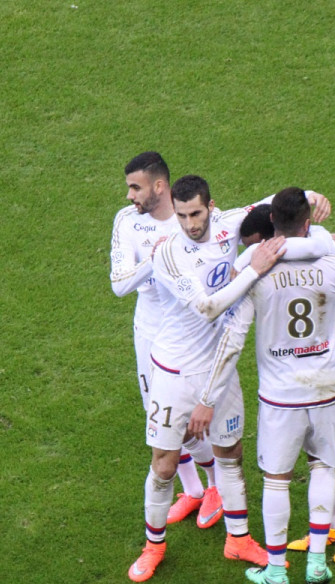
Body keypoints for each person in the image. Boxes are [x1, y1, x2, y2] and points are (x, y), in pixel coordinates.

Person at [128, 175, 333, 582]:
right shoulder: (167, 254)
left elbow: (270, 204)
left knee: (230, 454)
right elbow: (206, 307)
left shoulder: (227, 225)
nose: (190, 224)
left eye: (197, 213)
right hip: (174, 372)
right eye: (183, 214)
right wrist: (253, 270)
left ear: (212, 207)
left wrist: (313, 197)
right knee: (165, 466)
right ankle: (154, 545)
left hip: (220, 371)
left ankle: (237, 539)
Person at [189, 187, 335, 584]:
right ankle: (318, 564)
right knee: (324, 466)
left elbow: (232, 339)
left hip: (280, 395)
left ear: (272, 223)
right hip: (326, 384)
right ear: (308, 224)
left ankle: (275, 570)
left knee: (277, 480)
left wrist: (207, 398)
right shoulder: (330, 260)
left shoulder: (259, 271)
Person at [237, 204, 335, 565]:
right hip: (313, 363)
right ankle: (330, 525)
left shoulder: (320, 248)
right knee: (317, 447)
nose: (260, 254)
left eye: (260, 245)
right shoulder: (308, 246)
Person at [110, 152, 221, 529]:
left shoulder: (190, 218)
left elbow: (250, 223)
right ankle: (191, 490)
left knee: (193, 423)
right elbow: (120, 284)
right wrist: (158, 260)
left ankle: (216, 488)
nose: (129, 196)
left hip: (189, 337)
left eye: (135, 187)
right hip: (148, 333)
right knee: (160, 423)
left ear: (159, 187)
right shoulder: (127, 222)